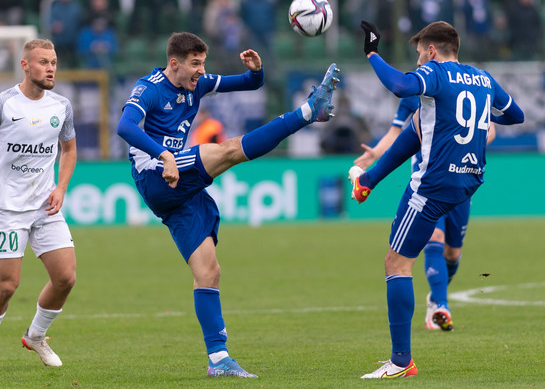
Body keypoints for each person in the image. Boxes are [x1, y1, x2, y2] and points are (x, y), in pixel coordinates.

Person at [116, 31, 340, 378]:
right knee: (229, 150)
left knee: (209, 271)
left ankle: (218, 360)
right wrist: (163, 154)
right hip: (155, 173)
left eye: (203, 64)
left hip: (179, 190)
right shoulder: (150, 87)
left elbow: (250, 84)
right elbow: (124, 126)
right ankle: (309, 111)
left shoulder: (198, 84)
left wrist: (257, 69)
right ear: (174, 63)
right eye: (195, 64)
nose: (201, 71)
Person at [350, 20, 524, 378]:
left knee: (395, 264)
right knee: (420, 123)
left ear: (431, 51)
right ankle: (367, 181)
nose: (417, 62)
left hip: (431, 186)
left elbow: (399, 85)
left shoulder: (434, 74)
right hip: (468, 182)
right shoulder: (482, 79)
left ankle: (401, 362)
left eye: (418, 54)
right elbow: (515, 115)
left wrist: (372, 52)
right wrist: (477, 120)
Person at [0, 39, 77, 370]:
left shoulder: (61, 106)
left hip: (46, 207)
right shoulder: (2, 104)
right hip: (10, 209)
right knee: (8, 285)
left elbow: (69, 150)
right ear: (25, 65)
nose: (51, 67)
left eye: (54, 61)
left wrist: (61, 187)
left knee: (66, 278)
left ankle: (36, 336)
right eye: (43, 62)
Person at [354, 94, 496, 332]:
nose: (421, 56)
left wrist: (468, 145)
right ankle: (441, 305)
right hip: (428, 182)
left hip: (459, 178)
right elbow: (396, 132)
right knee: (434, 239)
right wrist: (374, 154)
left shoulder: (461, 87)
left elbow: (489, 129)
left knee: (452, 253)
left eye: (422, 52)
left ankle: (435, 298)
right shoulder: (415, 91)